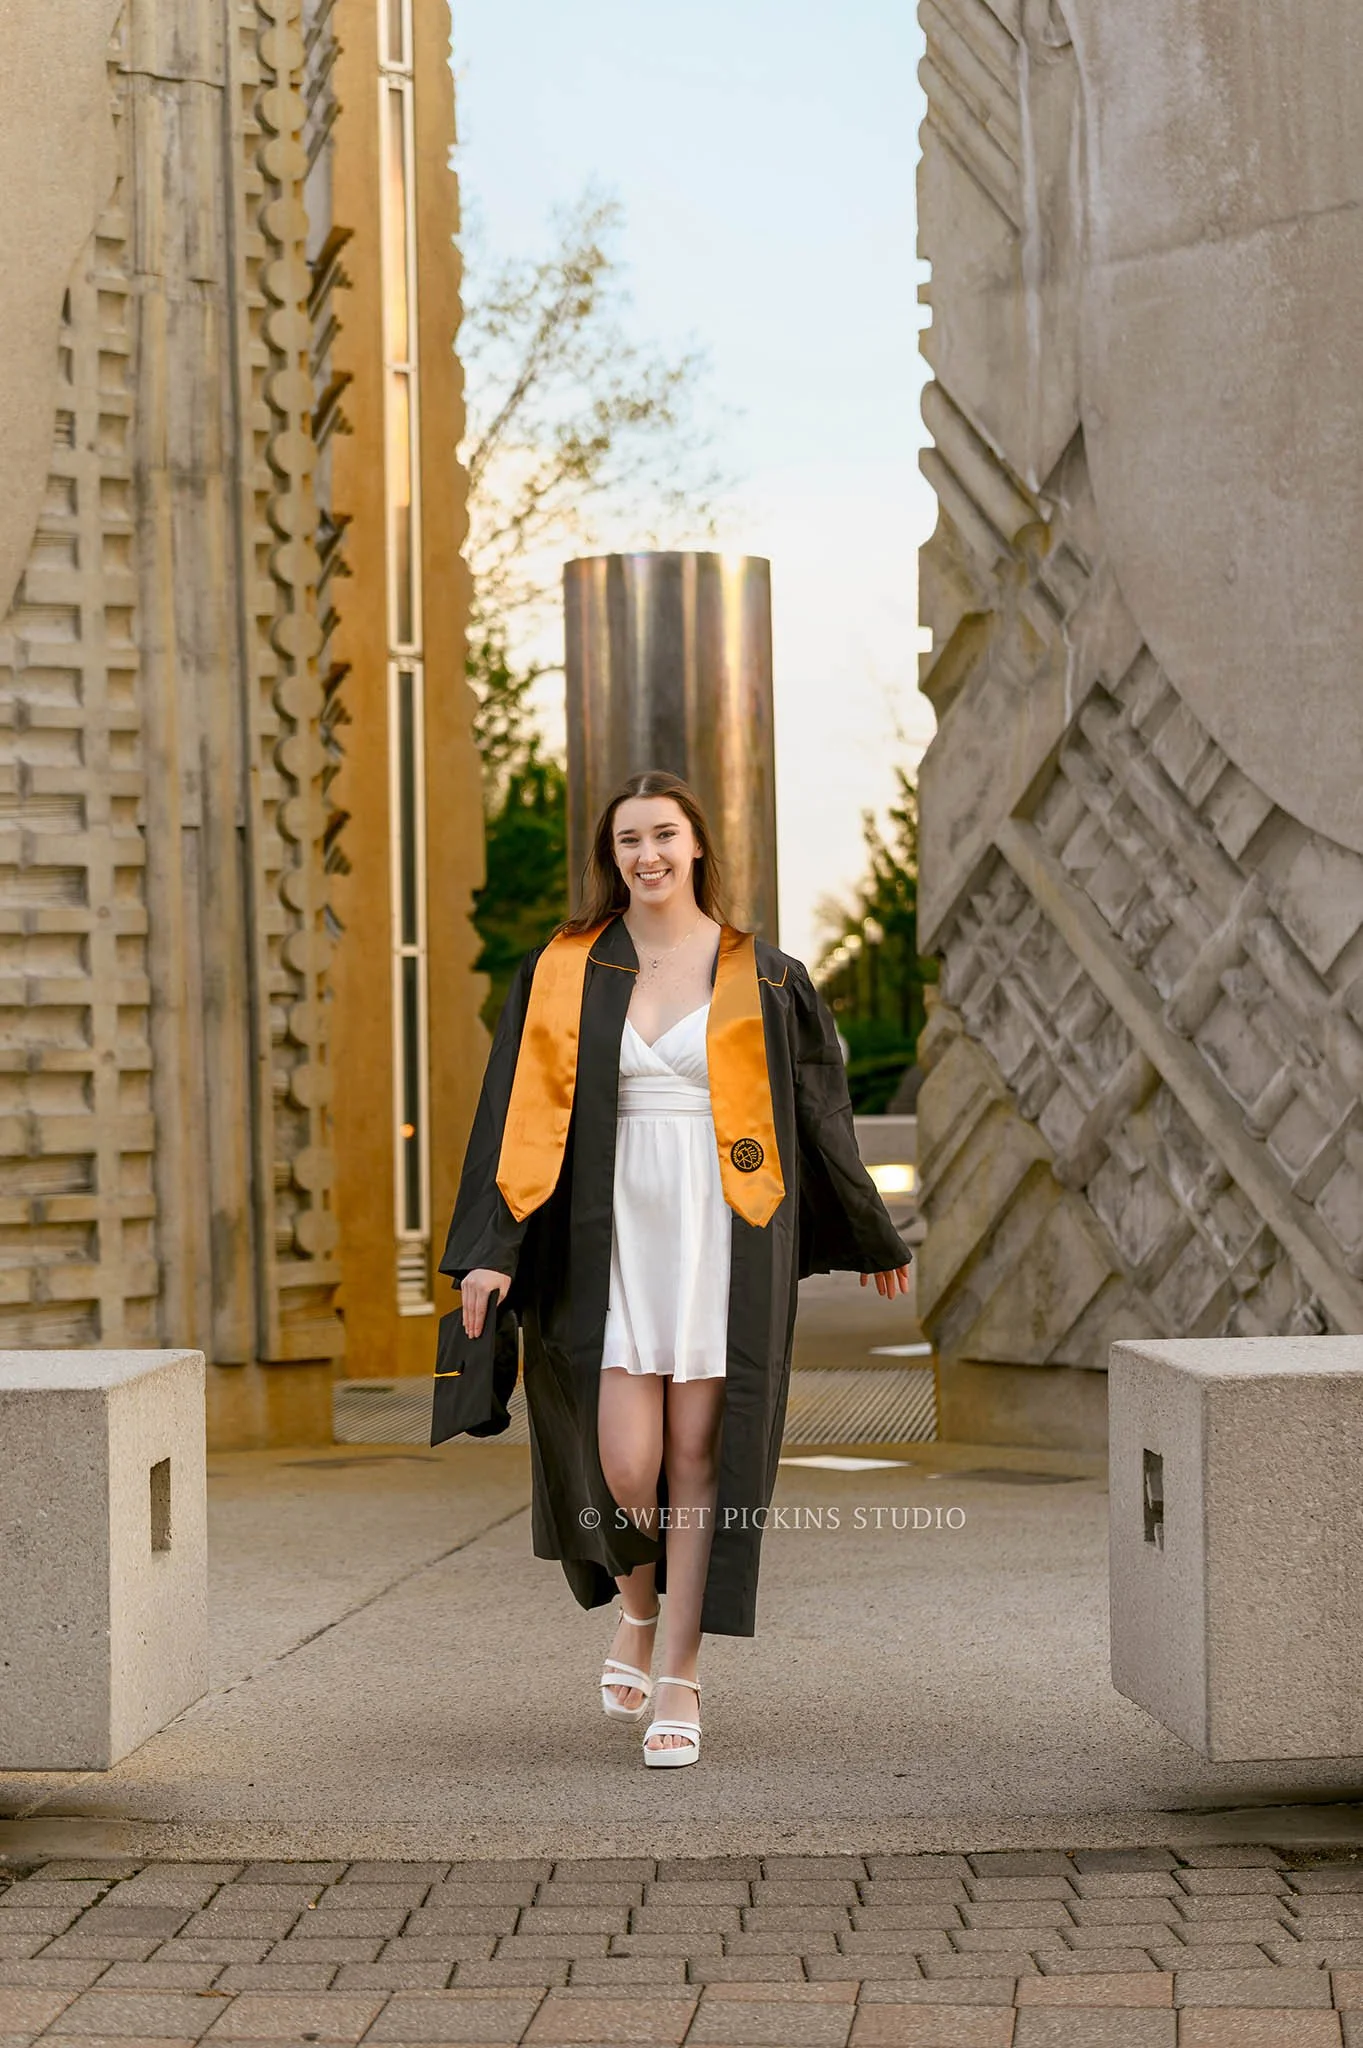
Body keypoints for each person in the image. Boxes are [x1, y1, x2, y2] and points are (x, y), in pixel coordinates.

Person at [440, 768, 912, 1769]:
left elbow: (821, 1112)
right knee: (622, 1462)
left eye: (663, 835)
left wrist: (871, 1234)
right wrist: (488, 1254)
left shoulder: (764, 975)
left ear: (697, 844)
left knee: (701, 1456)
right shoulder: (565, 969)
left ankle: (682, 1676)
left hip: (717, 1233)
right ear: (610, 858)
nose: (647, 855)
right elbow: (509, 1113)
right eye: (627, 842)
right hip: (605, 1233)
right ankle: (639, 1608)